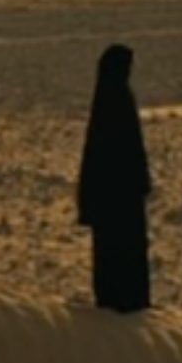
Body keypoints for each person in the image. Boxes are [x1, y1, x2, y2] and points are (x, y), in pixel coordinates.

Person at [77, 43, 152, 313]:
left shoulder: (113, 98)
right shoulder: (115, 101)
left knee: (121, 250)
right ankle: (123, 301)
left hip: (119, 197)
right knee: (120, 252)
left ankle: (123, 299)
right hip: (117, 198)